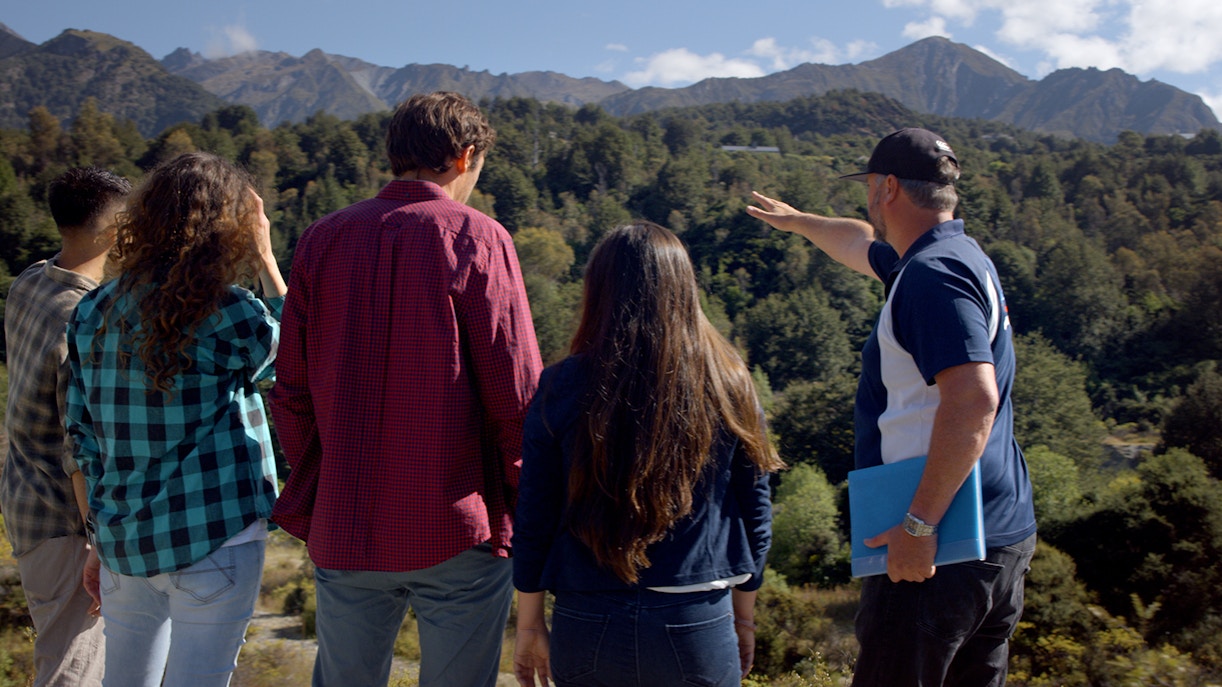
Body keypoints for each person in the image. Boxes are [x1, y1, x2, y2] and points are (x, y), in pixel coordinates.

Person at [270, 91, 542, 687]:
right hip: (457, 524)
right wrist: (526, 504)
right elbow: (516, 396)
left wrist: (322, 482)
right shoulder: (479, 238)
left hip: (346, 521)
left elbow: (288, 389)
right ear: (465, 156)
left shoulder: (322, 239)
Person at [747, 128, 1037, 687]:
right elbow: (861, 244)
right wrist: (800, 221)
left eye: (868, 188)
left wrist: (918, 524)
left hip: (940, 548)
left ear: (886, 188)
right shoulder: (953, 256)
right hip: (995, 536)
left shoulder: (931, 278)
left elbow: (974, 398)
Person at [512, 222, 784, 687]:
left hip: (587, 613)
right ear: (684, 289)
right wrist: (744, 617)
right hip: (698, 615)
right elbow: (755, 512)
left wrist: (529, 623)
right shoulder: (729, 382)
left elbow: (534, 513)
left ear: (599, 291)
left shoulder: (561, 385)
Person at [64, 152, 287, 687]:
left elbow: (83, 438)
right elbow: (300, 358)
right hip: (215, 533)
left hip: (124, 541)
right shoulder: (228, 310)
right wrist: (266, 258)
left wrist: (96, 539)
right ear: (226, 230)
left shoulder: (93, 311)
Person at [1, 167, 129, 686]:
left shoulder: (31, 280)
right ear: (113, 228)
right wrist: (97, 542)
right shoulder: (84, 319)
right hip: (65, 521)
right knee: (70, 670)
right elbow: (78, 444)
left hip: (24, 501)